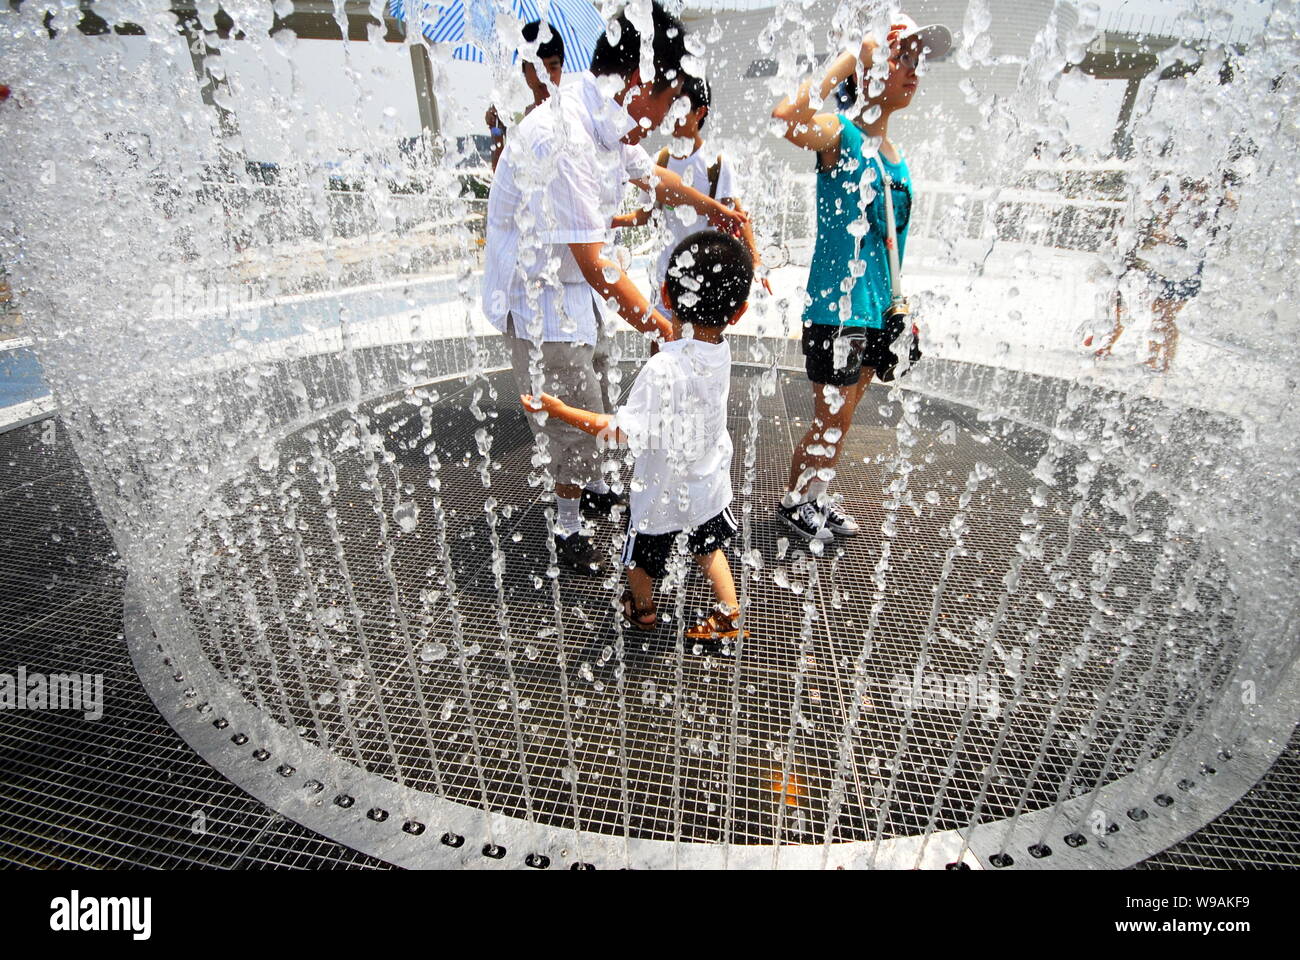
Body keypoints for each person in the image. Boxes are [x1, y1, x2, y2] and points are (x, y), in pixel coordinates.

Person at [482, 1, 748, 575]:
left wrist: (710, 208)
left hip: (572, 289)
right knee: (567, 412)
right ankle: (567, 523)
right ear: (639, 82)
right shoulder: (565, 135)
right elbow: (596, 261)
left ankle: (593, 487)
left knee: (595, 385)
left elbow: (651, 176)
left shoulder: (601, 109)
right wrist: (668, 326)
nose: (667, 114)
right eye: (669, 96)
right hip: (540, 299)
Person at [770, 12, 950, 542]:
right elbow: (785, 118)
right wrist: (848, 56)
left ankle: (816, 498)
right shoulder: (840, 135)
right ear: (870, 68)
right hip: (838, 309)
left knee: (845, 417)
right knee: (831, 416)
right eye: (900, 57)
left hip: (874, 310)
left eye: (917, 60)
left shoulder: (895, 154)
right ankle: (793, 501)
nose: (912, 70)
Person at [524, 231, 752, 645]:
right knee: (709, 549)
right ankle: (728, 614)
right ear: (738, 314)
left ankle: (643, 610)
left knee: (637, 561)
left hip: (661, 496)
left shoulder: (663, 367)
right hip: (708, 485)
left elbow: (620, 433)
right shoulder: (721, 350)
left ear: (665, 291)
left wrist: (559, 410)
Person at [612, 76, 769, 312]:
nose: (672, 114)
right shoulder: (660, 161)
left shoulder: (716, 163)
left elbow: (736, 216)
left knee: (699, 343)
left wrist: (756, 262)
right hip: (666, 273)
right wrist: (612, 221)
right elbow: (645, 216)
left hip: (704, 276)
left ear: (700, 112)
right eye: (670, 105)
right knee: (662, 340)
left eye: (681, 107)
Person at [1089, 172, 1237, 372]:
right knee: (1159, 312)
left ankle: (1163, 361)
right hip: (1165, 265)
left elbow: (1215, 227)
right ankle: (1155, 359)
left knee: (1165, 315)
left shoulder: (1209, 206)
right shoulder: (1184, 203)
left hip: (1185, 268)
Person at [484, 20, 565, 172]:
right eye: (536, 66)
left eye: (553, 66)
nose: (545, 75)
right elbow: (501, 174)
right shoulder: (520, 121)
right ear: (523, 69)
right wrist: (497, 130)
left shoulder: (570, 114)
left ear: (562, 68)